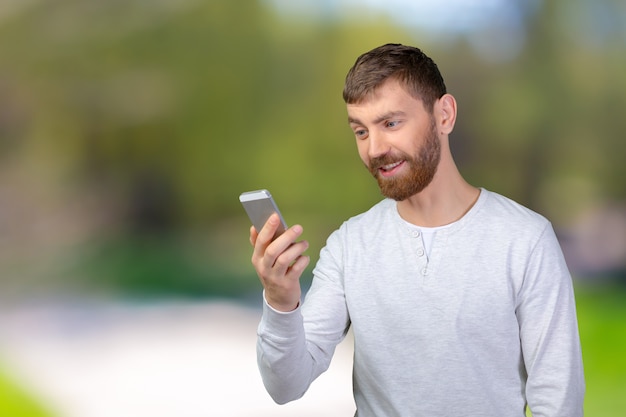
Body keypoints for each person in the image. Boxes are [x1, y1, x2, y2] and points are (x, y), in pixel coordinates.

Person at [247, 43, 585, 416]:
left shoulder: (526, 240)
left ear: (444, 115)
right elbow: (285, 385)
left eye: (391, 123)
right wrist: (280, 301)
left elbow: (558, 401)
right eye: (361, 131)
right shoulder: (350, 245)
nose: (374, 148)